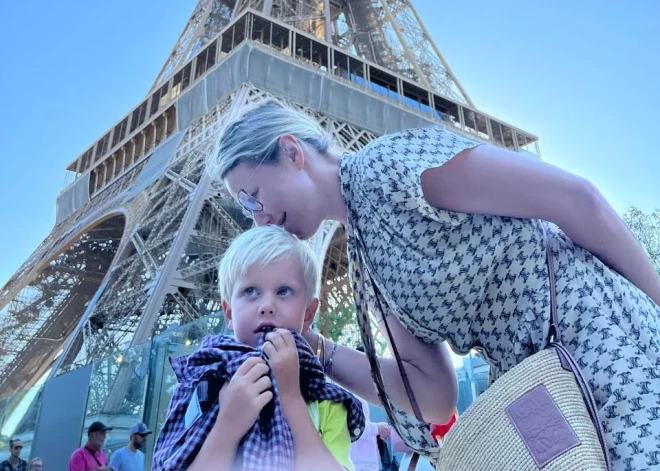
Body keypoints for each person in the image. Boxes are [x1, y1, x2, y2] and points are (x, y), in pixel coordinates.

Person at [212, 98, 660, 470]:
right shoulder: (365, 254)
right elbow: (431, 397)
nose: (258, 217)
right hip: (527, 378)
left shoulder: (389, 165)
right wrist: (316, 348)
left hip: (591, 332)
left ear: (292, 152)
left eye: (252, 196)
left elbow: (574, 200)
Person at [153, 225, 365, 471]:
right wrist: (227, 426)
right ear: (228, 313)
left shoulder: (327, 401)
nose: (267, 305)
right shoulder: (202, 386)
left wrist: (291, 397)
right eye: (250, 291)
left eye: (283, 291)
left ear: (308, 314)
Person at [349, 397, 389, 471]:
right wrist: (376, 428)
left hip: (363, 463)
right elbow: (353, 428)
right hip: (359, 464)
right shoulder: (350, 394)